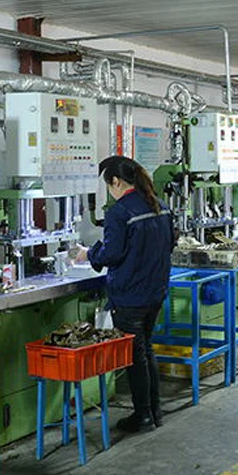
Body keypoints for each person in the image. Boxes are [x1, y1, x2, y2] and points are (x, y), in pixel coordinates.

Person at [76, 156, 175, 433]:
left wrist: (89, 253)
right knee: (145, 349)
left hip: (130, 296)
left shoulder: (119, 213)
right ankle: (154, 411)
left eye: (109, 186)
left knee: (136, 355)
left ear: (116, 182)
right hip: (155, 291)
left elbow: (112, 253)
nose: (110, 191)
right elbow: (169, 243)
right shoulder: (160, 206)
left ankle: (143, 416)